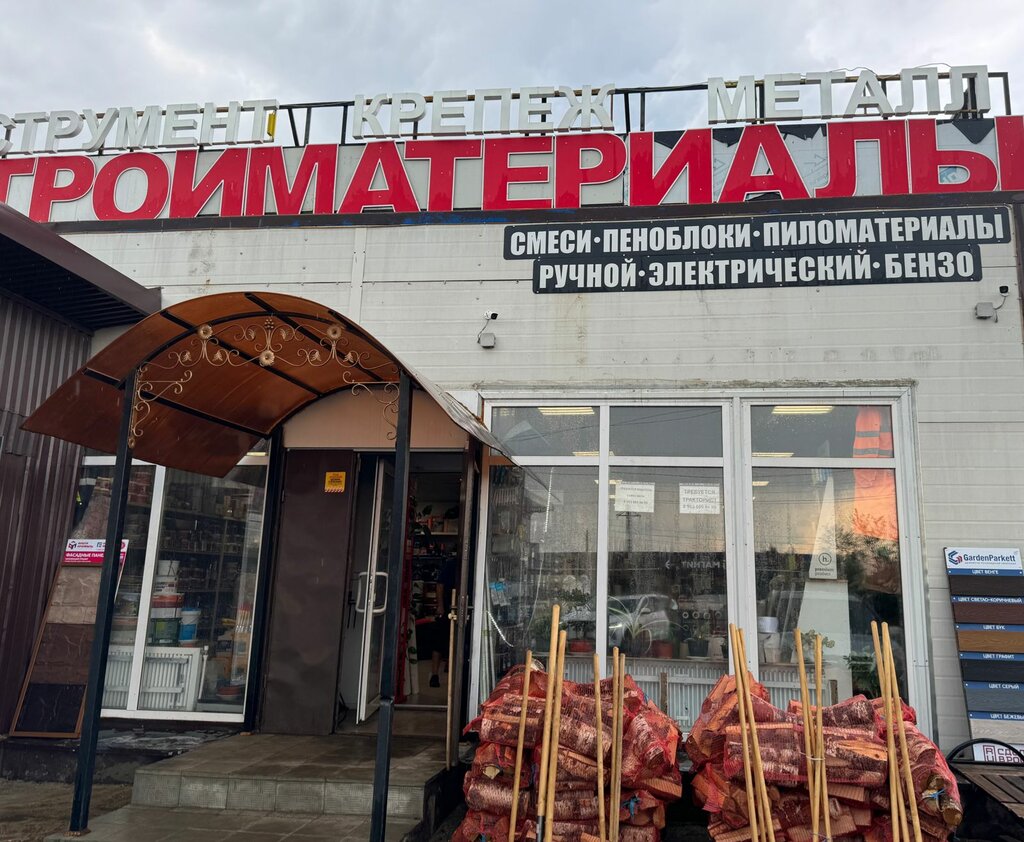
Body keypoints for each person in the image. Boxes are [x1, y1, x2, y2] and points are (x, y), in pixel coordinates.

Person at [429, 554, 458, 687]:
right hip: (447, 608)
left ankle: (450, 668)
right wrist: (440, 606)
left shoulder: (472, 564)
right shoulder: (451, 564)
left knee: (457, 641)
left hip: (461, 607)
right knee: (439, 642)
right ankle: (434, 674)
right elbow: (440, 585)